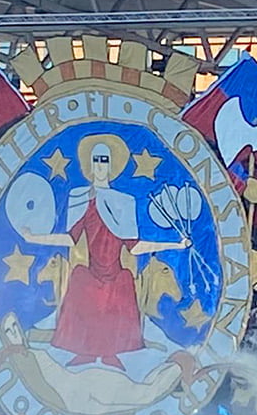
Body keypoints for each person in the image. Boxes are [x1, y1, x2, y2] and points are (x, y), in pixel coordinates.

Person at [21, 135, 187, 369]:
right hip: (91, 271)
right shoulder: (79, 199)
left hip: (115, 273)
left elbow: (136, 246)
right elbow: (69, 239)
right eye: (95, 160)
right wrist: (33, 238)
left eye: (104, 160)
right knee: (79, 277)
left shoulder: (123, 201)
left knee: (124, 281)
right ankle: (85, 350)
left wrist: (174, 244)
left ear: (111, 165)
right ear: (90, 165)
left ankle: (112, 352)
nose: (100, 165)